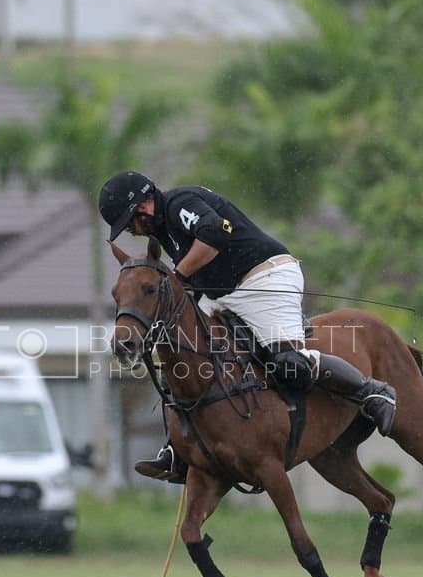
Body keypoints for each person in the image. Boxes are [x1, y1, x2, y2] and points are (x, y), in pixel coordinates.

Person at [98, 170, 397, 483]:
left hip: (263, 277)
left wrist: (177, 277)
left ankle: (372, 391)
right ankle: (177, 447)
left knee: (289, 362)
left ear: (144, 203)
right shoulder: (162, 229)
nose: (132, 230)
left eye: (129, 221)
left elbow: (213, 235)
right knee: (183, 349)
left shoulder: (178, 204)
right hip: (224, 294)